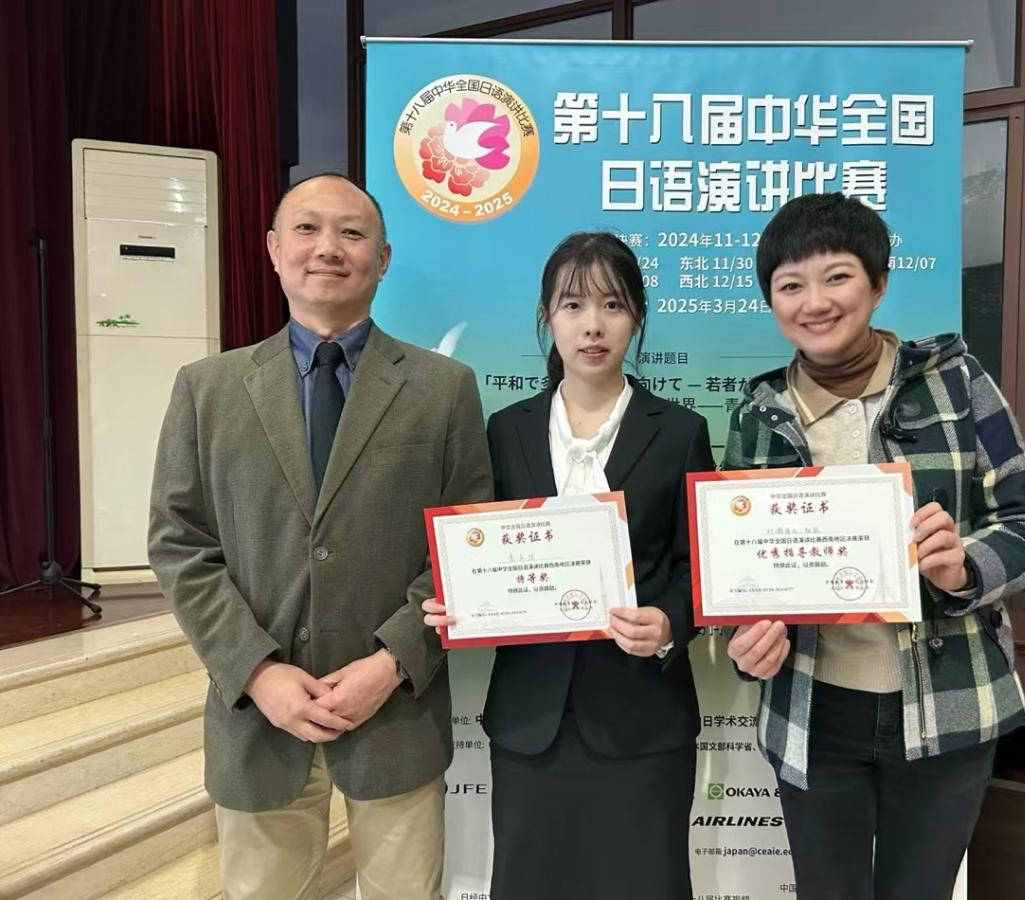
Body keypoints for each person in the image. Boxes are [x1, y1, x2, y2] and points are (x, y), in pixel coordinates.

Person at [148, 173, 492, 900]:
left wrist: (392, 663)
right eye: (307, 229)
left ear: (383, 258)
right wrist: (255, 671)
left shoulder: (443, 388)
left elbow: (466, 544)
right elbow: (180, 543)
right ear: (274, 250)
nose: (328, 248)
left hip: (396, 712)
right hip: (257, 717)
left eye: (352, 232)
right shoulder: (207, 389)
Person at [722, 193, 1025, 900]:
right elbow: (736, 569)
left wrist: (964, 566)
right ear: (771, 301)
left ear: (878, 283)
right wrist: (746, 639)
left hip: (948, 701)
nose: (815, 302)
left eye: (837, 277)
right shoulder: (758, 413)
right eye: (791, 285)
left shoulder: (958, 384)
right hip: (813, 710)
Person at [424, 232, 713, 900]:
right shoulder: (506, 430)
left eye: (613, 305)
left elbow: (697, 569)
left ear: (636, 318)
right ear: (546, 317)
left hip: (643, 718)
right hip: (532, 722)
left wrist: (669, 624)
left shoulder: (679, 431)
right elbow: (485, 551)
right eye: (573, 305)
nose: (593, 325)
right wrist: (456, 598)